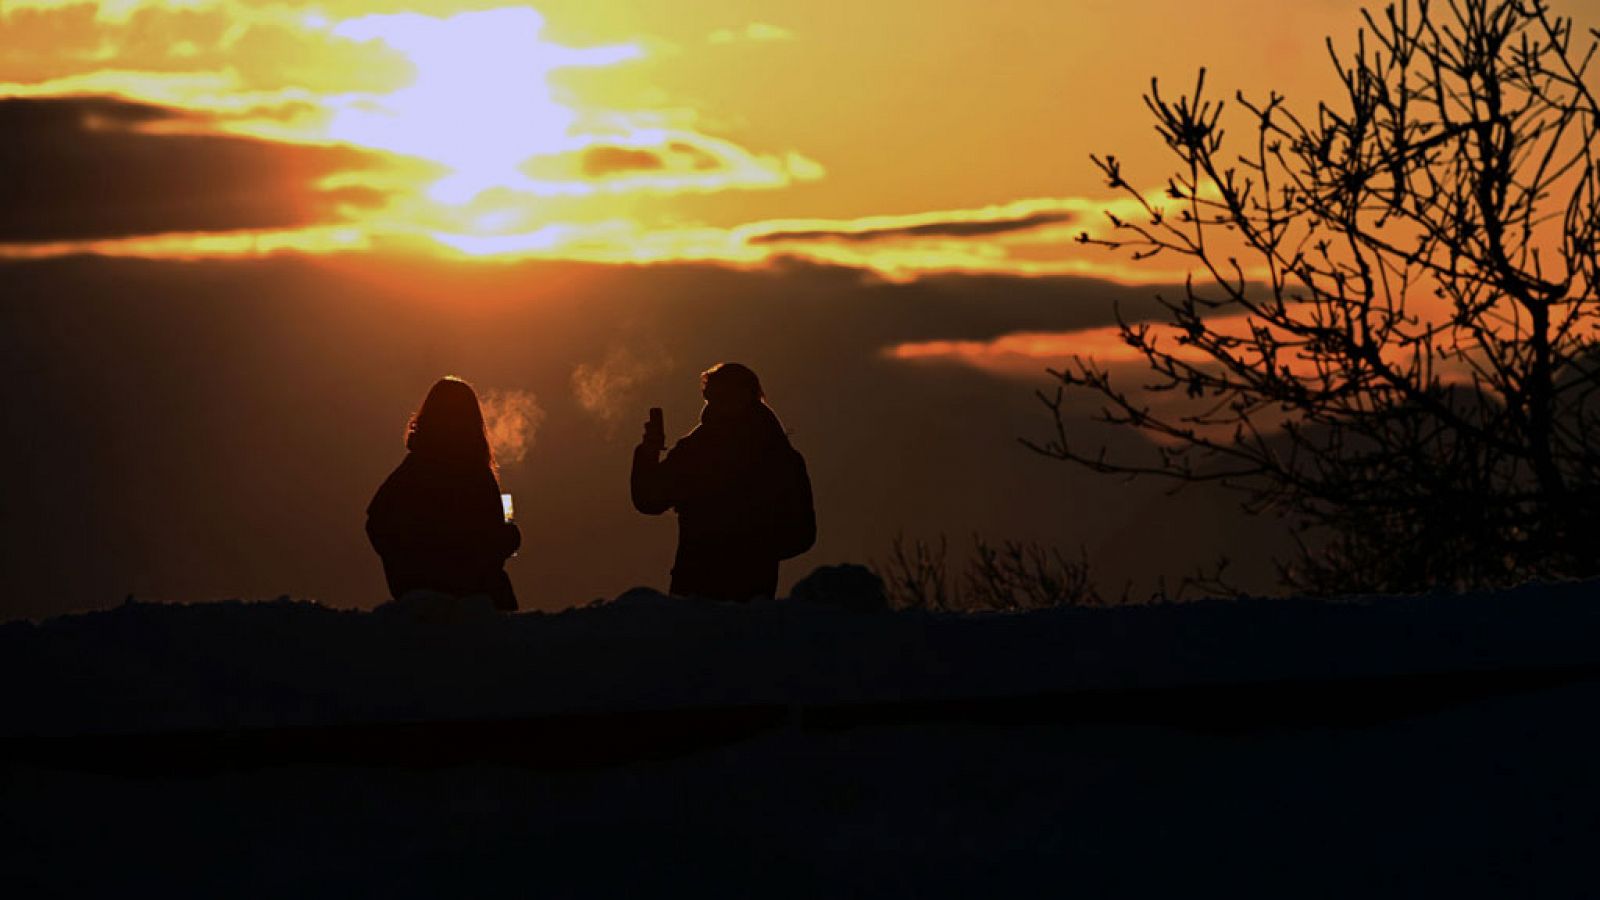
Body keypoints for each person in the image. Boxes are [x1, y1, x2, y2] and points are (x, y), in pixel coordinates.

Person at [632, 363, 816, 601]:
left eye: (723, 395)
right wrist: (648, 451)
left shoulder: (771, 457)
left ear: (744, 397)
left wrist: (747, 550)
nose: (715, 402)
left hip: (723, 594)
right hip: (720, 594)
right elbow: (650, 498)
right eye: (712, 395)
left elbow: (801, 532)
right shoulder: (698, 450)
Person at [367, 376, 521, 611]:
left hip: (419, 596)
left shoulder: (413, 470)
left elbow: (377, 521)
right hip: (471, 598)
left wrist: (404, 570)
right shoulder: (476, 476)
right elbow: (489, 542)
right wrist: (509, 537)